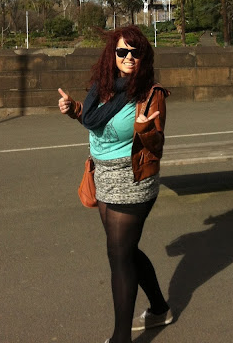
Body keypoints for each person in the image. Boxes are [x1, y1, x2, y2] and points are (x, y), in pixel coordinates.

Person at [58, 25, 173, 343]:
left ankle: (121, 337)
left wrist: (146, 129)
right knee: (125, 250)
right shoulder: (103, 87)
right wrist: (74, 110)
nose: (129, 57)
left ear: (144, 57)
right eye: (123, 51)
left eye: (136, 53)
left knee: (118, 255)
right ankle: (160, 308)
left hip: (134, 179)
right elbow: (93, 121)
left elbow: (158, 145)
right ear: (113, 54)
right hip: (103, 176)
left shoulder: (151, 94)